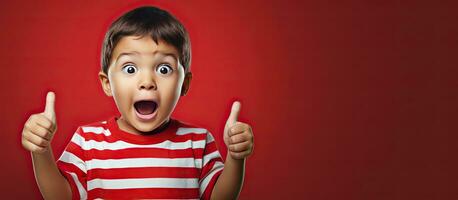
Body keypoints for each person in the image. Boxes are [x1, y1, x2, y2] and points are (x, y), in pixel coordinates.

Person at [21, 6, 254, 200]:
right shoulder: (88, 142)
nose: (147, 82)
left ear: (184, 84)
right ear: (107, 83)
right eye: (130, 68)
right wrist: (41, 151)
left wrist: (235, 157)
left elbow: (220, 197)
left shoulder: (197, 142)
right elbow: (60, 196)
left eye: (164, 69)